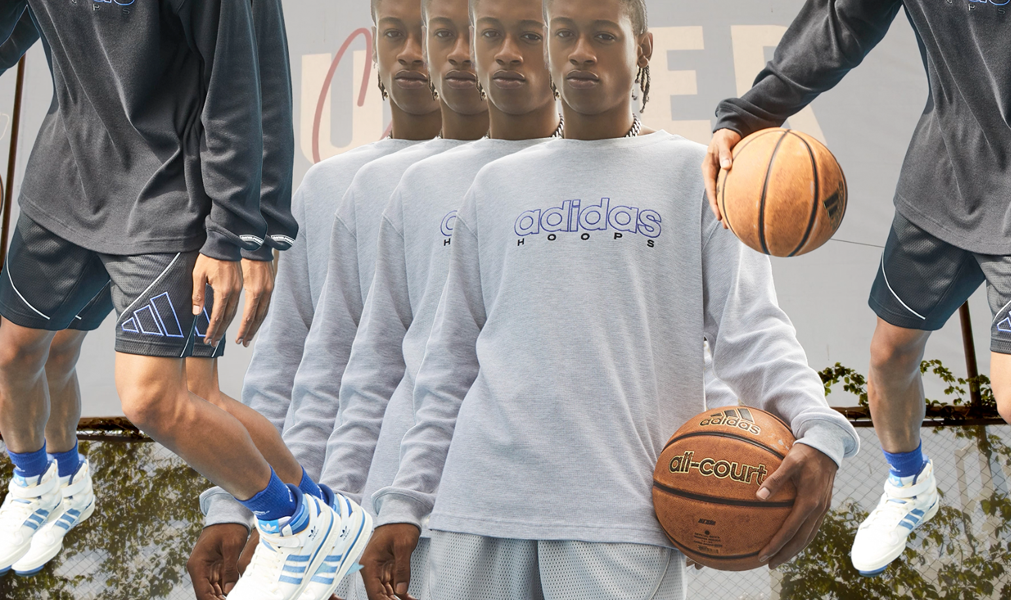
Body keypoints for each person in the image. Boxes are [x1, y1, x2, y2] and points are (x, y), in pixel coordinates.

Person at [361, 0, 860, 597]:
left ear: (642, 47)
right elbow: (447, 364)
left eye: (602, 34)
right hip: (479, 508)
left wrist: (816, 427)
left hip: (620, 519)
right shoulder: (494, 186)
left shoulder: (695, 178)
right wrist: (405, 500)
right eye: (564, 33)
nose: (579, 52)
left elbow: (751, 332)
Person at [0, 3, 337, 598]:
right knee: (20, 355)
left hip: (168, 194)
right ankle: (46, 481)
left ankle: (306, 522)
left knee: (166, 397)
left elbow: (246, 79)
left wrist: (243, 228)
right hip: (67, 182)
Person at [701, 0, 1011, 576]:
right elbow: (841, 21)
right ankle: (909, 485)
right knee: (890, 353)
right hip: (949, 168)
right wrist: (747, 116)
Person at [187, 0, 443, 595]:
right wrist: (235, 505)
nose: (410, 51)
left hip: (478, 513)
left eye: (433, 32)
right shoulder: (329, 188)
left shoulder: (513, 184)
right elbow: (286, 365)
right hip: (340, 522)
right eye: (394, 33)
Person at [322, 0, 560, 596]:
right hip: (418, 499)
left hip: (562, 502)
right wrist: (337, 508)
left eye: (529, 34)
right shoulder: (406, 186)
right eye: (449, 34)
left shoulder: (621, 178)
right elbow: (366, 365)